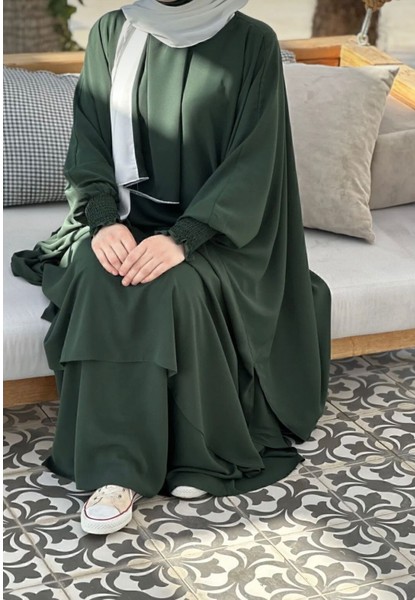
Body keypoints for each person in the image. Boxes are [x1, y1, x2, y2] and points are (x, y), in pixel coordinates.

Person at [11, 0, 332, 536]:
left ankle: (194, 454)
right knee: (99, 275)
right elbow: (89, 138)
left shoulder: (252, 41)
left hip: (222, 232)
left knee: (171, 286)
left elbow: (255, 159)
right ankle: (115, 471)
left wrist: (184, 238)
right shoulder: (114, 30)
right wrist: (101, 221)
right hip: (123, 219)